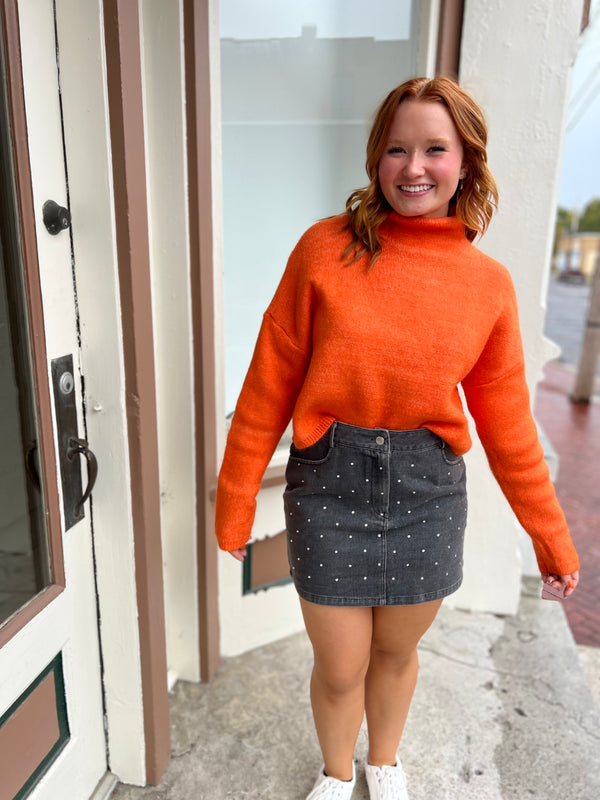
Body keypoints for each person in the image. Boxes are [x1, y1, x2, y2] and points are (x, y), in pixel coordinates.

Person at [214, 77, 580, 800]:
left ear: (467, 162)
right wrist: (234, 499)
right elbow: (268, 383)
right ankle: (335, 769)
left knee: (395, 652)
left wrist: (551, 539)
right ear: (376, 159)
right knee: (341, 664)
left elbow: (508, 423)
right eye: (397, 149)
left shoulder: (488, 285)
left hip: (428, 490)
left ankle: (383, 763)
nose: (414, 167)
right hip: (331, 485)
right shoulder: (324, 251)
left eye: (435, 149)